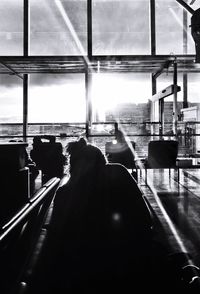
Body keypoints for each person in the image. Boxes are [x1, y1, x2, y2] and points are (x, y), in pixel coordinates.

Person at [28, 137, 154, 293]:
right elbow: (145, 218)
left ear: (73, 167)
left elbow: (58, 236)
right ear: (102, 161)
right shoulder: (119, 173)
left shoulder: (65, 193)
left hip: (82, 268)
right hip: (131, 259)